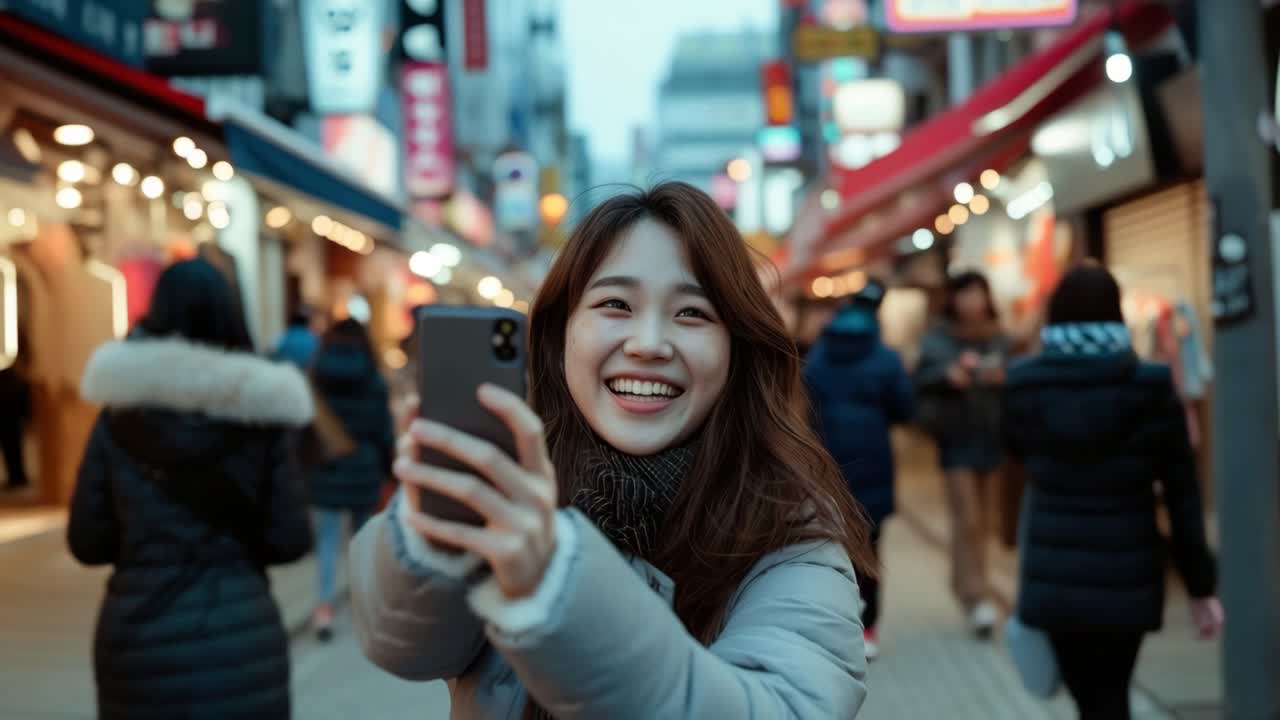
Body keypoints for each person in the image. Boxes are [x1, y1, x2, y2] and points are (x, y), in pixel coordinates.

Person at [350, 182, 873, 719]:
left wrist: (555, 582)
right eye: (615, 305)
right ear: (561, 337)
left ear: (735, 349)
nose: (648, 343)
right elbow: (405, 646)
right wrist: (433, 529)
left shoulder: (792, 537)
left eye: (691, 313)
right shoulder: (510, 492)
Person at [68, 258, 314, 719]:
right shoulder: (261, 416)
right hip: (242, 643)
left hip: (139, 647)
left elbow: (87, 541)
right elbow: (290, 539)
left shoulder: (118, 417)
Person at [1004, 265, 1222, 720]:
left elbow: (1013, 451)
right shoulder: (1153, 386)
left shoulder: (1024, 383)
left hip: (1054, 572)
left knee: (1089, 698)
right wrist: (1201, 585)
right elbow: (1183, 495)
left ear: (1055, 316)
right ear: (1117, 314)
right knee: (1113, 692)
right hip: (1129, 572)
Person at [803, 279, 913, 661]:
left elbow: (806, 407)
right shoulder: (885, 358)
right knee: (871, 547)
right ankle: (867, 627)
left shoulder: (818, 355)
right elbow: (904, 408)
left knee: (833, 544)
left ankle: (836, 621)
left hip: (828, 463)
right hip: (874, 461)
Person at [914, 270, 1009, 638]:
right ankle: (975, 596)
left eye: (978, 294)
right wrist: (947, 374)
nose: (972, 301)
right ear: (953, 299)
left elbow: (1016, 370)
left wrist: (1003, 376)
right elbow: (920, 378)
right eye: (966, 294)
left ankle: (967, 588)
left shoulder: (999, 337)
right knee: (967, 519)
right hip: (955, 439)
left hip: (993, 438)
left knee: (983, 523)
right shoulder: (938, 339)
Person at [307, 317, 394, 641]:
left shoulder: (316, 376)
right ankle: (364, 610)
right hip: (363, 466)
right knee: (361, 541)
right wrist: (388, 467)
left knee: (327, 543)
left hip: (326, 466)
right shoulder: (372, 379)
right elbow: (382, 429)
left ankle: (324, 609)